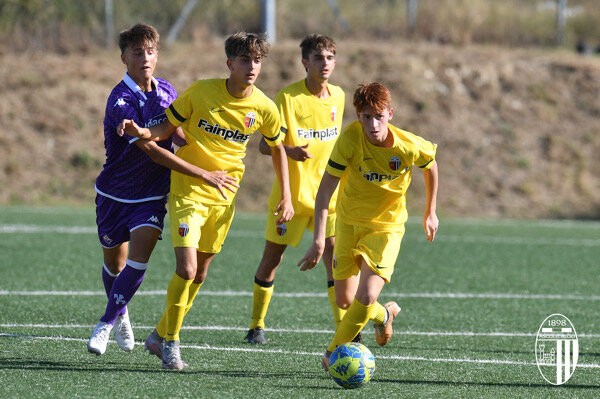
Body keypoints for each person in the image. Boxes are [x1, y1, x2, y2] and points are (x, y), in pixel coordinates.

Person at [119, 32, 294, 369]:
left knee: (199, 275)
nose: (252, 67)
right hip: (188, 191)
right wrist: (143, 132)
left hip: (224, 197)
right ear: (230, 64)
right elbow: (165, 128)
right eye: (245, 60)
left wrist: (286, 194)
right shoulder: (201, 91)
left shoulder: (264, 107)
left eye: (257, 60)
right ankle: (171, 342)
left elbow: (277, 149)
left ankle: (157, 335)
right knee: (186, 268)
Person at [87, 24, 233, 356]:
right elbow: (153, 150)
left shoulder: (167, 90)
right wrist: (203, 173)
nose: (145, 58)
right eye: (137, 52)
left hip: (152, 195)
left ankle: (105, 323)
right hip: (114, 194)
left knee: (138, 262)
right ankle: (121, 313)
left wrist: (207, 149)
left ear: (157, 54)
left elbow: (175, 134)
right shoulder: (120, 101)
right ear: (124, 58)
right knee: (115, 264)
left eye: (150, 51)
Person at [297, 82, 439, 371]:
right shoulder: (349, 139)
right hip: (348, 222)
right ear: (357, 116)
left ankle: (332, 351)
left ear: (390, 113)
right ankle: (384, 316)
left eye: (378, 116)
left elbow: (431, 164)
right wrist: (320, 240)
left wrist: (430, 211)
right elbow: (325, 191)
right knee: (347, 300)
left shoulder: (407, 145)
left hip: (386, 228)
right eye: (365, 117)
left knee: (366, 296)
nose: (372, 124)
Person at [245, 34, 346, 344]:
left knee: (334, 264)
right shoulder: (288, 98)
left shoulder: (339, 97)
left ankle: (344, 332)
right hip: (290, 198)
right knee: (272, 259)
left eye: (329, 57)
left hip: (328, 199)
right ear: (305, 63)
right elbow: (265, 146)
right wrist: (290, 152)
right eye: (318, 58)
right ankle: (256, 325)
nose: (324, 63)